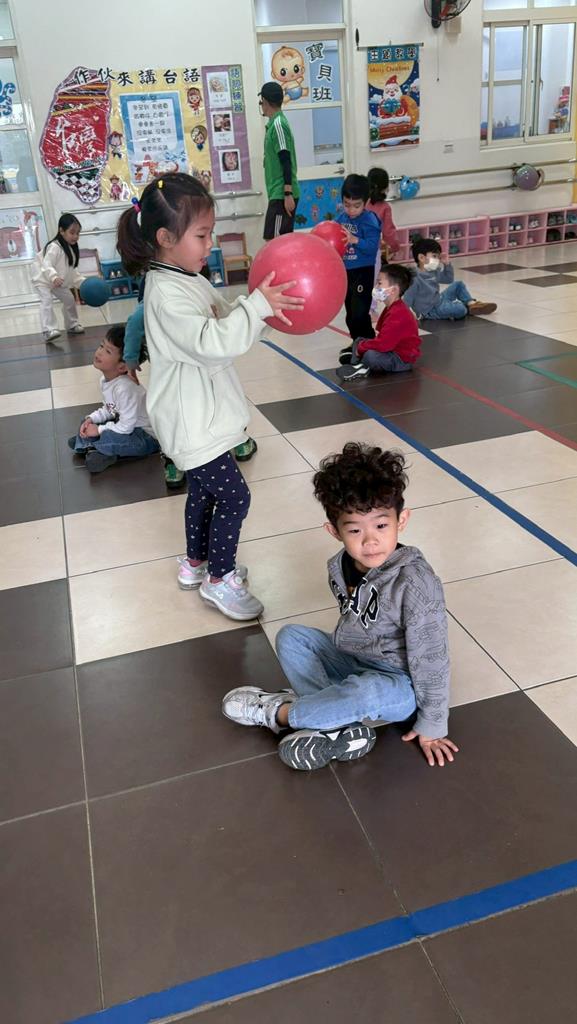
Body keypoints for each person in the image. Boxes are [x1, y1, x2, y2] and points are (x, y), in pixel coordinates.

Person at [116, 172, 303, 621]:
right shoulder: (166, 295)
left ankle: (195, 563)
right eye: (201, 235)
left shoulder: (183, 277)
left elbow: (221, 320)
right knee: (235, 497)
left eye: (210, 232)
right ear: (165, 238)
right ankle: (220, 579)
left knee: (202, 492)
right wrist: (255, 308)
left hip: (200, 417)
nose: (210, 243)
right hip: (192, 423)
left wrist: (258, 312)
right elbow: (211, 341)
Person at [222, 443, 459, 772]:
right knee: (292, 637)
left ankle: (281, 712)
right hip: (355, 661)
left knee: (368, 692)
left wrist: (432, 724)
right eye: (355, 530)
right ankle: (335, 725)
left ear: (401, 520)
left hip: (399, 686)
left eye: (381, 526)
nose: (370, 540)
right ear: (334, 531)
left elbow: (432, 657)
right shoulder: (339, 566)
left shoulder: (416, 583)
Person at [68, 325, 160, 474]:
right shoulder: (105, 380)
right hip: (126, 425)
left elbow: (126, 428)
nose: (99, 352)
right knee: (86, 421)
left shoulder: (125, 388)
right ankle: (93, 445)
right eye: (101, 346)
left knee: (112, 436)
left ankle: (93, 448)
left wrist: (99, 430)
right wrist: (91, 419)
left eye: (108, 351)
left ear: (122, 367)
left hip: (145, 436)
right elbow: (110, 409)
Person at [337, 263, 420, 381]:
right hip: (391, 350)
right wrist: (362, 346)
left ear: (393, 290)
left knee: (371, 355)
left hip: (401, 360)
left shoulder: (398, 313)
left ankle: (361, 365)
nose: (376, 287)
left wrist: (361, 349)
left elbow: (383, 344)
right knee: (360, 340)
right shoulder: (391, 308)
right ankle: (358, 361)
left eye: (379, 283)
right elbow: (382, 338)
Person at [335, 174, 382, 342]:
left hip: (363, 271)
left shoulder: (369, 220)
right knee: (350, 314)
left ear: (366, 202)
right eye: (346, 204)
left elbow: (372, 247)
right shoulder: (341, 219)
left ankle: (368, 341)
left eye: (356, 206)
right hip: (346, 272)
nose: (351, 210)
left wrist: (355, 240)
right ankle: (357, 343)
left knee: (359, 312)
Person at [404, 237, 497, 320]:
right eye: (434, 256)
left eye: (438, 257)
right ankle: (466, 308)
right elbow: (407, 299)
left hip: (438, 300)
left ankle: (471, 304)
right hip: (430, 310)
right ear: (421, 257)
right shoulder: (415, 278)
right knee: (460, 308)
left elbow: (449, 279)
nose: (437, 260)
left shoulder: (433, 271)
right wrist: (407, 315)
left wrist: (447, 264)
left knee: (458, 284)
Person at [32, 213, 85, 342]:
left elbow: (72, 271)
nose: (75, 236)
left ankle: (72, 325)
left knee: (69, 299)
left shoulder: (71, 249)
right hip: (43, 279)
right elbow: (46, 264)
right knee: (46, 300)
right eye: (72, 232)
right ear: (61, 231)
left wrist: (83, 283)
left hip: (57, 281)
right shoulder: (54, 246)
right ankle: (48, 330)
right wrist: (54, 276)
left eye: (78, 233)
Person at [259, 81, 300, 240]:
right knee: (274, 240)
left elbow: (285, 159)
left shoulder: (278, 125)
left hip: (282, 193)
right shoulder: (273, 124)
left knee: (276, 242)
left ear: (265, 101)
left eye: (262, 101)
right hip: (277, 193)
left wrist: (287, 194)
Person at [366, 166, 400, 265]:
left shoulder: (360, 202)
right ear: (385, 188)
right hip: (372, 250)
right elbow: (388, 232)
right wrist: (395, 247)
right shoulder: (385, 207)